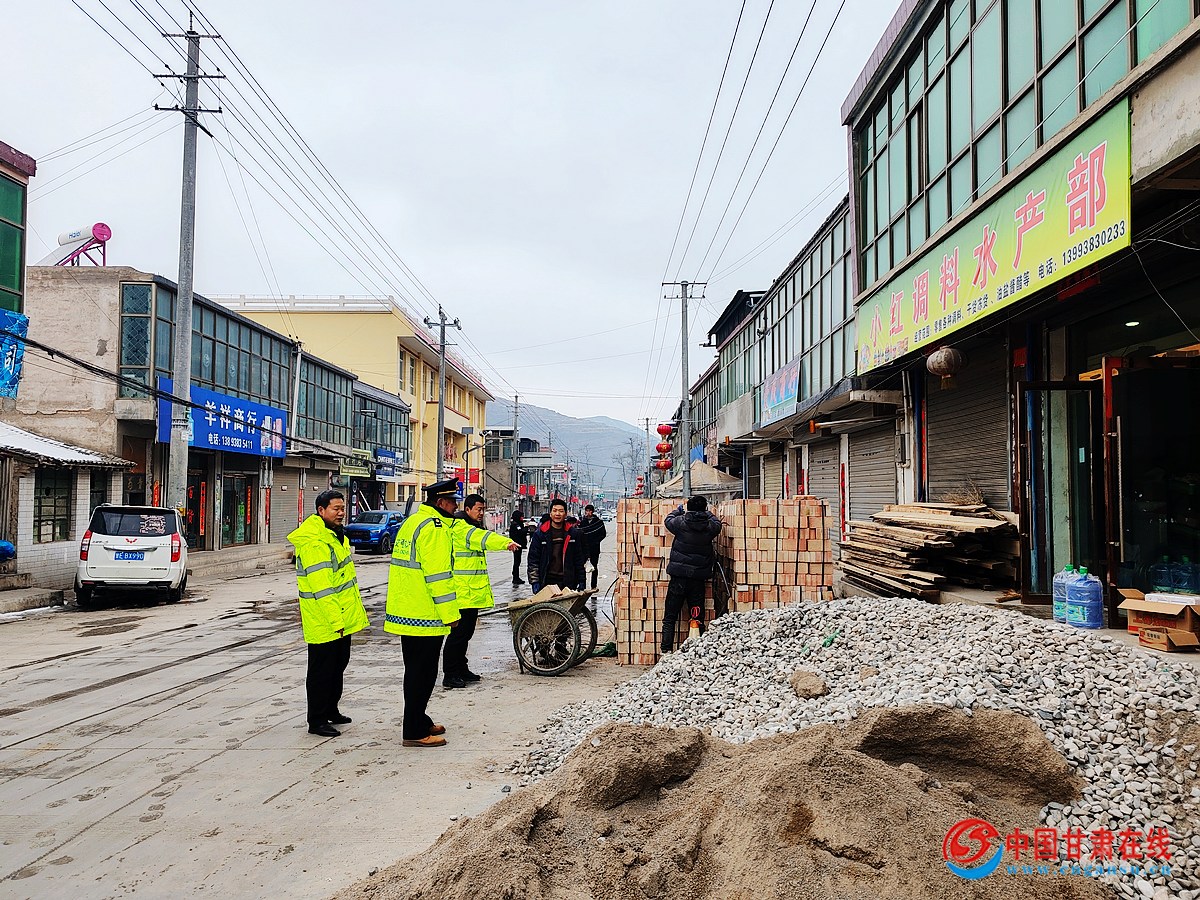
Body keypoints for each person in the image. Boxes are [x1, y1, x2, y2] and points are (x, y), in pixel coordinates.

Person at [385, 478, 462, 748]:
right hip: (425, 614)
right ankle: (414, 731)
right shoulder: (434, 528)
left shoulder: (414, 522)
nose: (455, 507)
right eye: (452, 502)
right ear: (440, 502)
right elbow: (438, 576)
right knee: (423, 674)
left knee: (415, 671)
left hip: (408, 610)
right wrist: (451, 613)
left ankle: (420, 717)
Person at [287, 490, 370, 738]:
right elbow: (322, 587)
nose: (341, 513)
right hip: (325, 619)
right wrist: (336, 620)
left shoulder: (334, 535)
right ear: (321, 510)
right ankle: (317, 720)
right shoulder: (315, 542)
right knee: (321, 672)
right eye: (335, 508)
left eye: (343, 508)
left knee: (337, 666)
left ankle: (332, 709)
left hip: (340, 616)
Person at [444, 494, 520, 689]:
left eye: (483, 509)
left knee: (466, 634)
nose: (481, 513)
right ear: (467, 509)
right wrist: (505, 543)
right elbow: (483, 538)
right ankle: (450, 674)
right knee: (458, 635)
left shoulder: (469, 525)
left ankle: (462, 668)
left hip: (470, 593)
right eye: (478, 509)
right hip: (462, 592)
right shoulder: (461, 527)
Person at [661, 495, 722, 653]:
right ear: (704, 508)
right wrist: (707, 513)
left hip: (679, 578)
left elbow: (668, 520)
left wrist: (678, 511)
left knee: (670, 617)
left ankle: (666, 651)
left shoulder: (680, 523)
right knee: (696, 616)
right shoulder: (710, 527)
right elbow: (717, 523)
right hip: (697, 579)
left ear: (688, 508)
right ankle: (696, 651)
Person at [527, 498, 587, 592]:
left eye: (561, 511)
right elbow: (533, 559)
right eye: (554, 511)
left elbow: (579, 559)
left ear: (565, 514)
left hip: (568, 581)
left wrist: (581, 580)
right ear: (550, 513)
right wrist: (535, 581)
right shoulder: (541, 534)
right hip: (546, 581)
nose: (557, 514)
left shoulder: (573, 534)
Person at [575, 503, 608, 590]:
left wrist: (596, 541)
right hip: (584, 548)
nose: (588, 512)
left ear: (592, 512)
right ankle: (583, 585)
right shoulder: (582, 522)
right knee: (582, 566)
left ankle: (594, 585)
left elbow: (603, 534)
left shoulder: (598, 522)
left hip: (594, 548)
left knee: (594, 566)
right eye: (586, 511)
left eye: (589, 511)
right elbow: (579, 533)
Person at [508, 509, 528, 586]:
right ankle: (515, 577)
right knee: (517, 561)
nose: (522, 518)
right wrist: (526, 528)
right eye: (521, 516)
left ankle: (516, 576)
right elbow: (521, 532)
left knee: (517, 561)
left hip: (518, 545)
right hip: (516, 545)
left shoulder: (518, 524)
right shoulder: (516, 525)